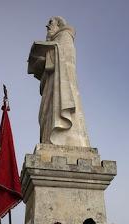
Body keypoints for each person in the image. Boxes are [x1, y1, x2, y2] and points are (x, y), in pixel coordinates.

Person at [28, 16, 90, 147]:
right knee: (46, 113)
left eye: (51, 23)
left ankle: (64, 139)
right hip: (51, 83)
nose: (48, 26)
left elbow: (67, 61)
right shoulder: (57, 40)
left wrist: (48, 55)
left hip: (61, 84)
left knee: (58, 108)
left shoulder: (65, 36)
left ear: (59, 25)